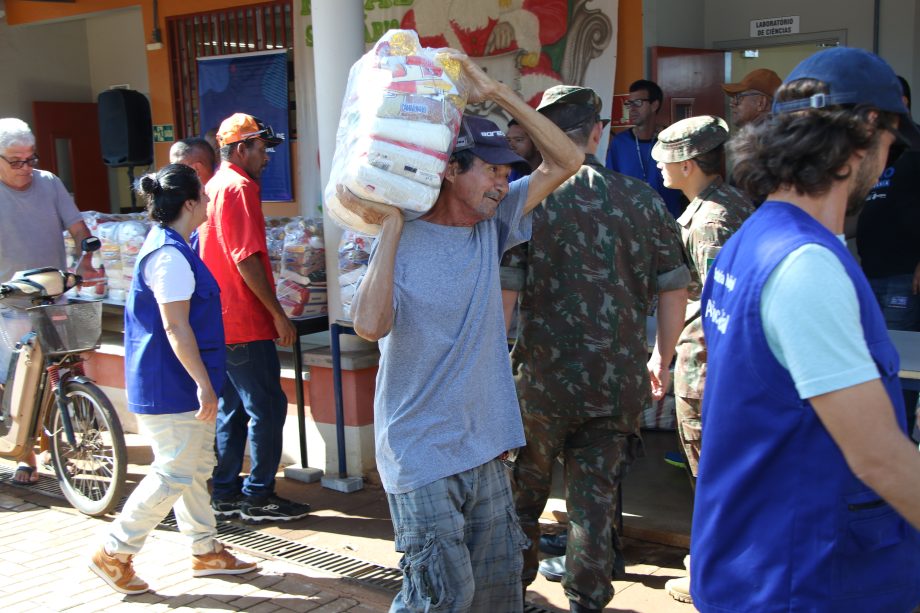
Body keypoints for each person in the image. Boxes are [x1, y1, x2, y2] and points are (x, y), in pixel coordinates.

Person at [341, 53, 582, 612]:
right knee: (442, 600)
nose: (504, 182)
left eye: (506, 171)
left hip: (484, 446)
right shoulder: (398, 239)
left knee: (499, 598)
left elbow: (565, 160)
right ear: (451, 170)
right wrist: (393, 228)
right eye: (492, 171)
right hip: (421, 455)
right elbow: (370, 326)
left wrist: (497, 93)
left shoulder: (492, 225)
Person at [692, 47, 920, 611]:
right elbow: (879, 457)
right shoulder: (805, 265)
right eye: (890, 144)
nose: (888, 162)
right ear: (867, 129)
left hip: (757, 558)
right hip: (806, 577)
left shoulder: (752, 239)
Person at [512, 85, 689, 613]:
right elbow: (673, 285)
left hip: (539, 384)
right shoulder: (642, 198)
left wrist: (496, 366)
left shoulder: (523, 200)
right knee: (594, 503)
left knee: (522, 499)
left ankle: (511, 594)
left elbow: (503, 291)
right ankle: (587, 602)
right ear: (597, 132)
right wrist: (663, 356)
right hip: (616, 383)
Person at [89, 164, 257, 595]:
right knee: (174, 473)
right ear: (188, 203)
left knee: (193, 468)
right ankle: (115, 550)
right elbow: (175, 328)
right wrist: (203, 383)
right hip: (173, 383)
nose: (207, 203)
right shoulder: (169, 256)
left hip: (175, 380)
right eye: (202, 197)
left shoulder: (174, 246)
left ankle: (205, 550)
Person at [648, 115, 754, 604]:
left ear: (688, 164)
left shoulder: (710, 220)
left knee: (711, 475)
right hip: (717, 366)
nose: (661, 170)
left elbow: (721, 307)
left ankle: (717, 574)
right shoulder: (727, 205)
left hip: (710, 368)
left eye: (666, 161)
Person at [198, 113, 309, 524]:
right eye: (262, 149)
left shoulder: (213, 186)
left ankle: (225, 491)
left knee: (234, 408)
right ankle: (258, 494)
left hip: (218, 320)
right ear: (241, 148)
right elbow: (246, 258)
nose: (267, 158)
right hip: (243, 319)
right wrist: (277, 314)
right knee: (267, 406)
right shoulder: (240, 187)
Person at [0, 117, 99, 485]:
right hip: (9, 302)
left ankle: (60, 441)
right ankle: (25, 456)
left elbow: (76, 226)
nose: (26, 168)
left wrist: (85, 254)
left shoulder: (49, 182)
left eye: (30, 158)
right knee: (17, 379)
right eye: (15, 161)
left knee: (63, 370)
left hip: (53, 294)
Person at [605, 79, 684, 217]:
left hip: (668, 224)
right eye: (629, 103)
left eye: (638, 103)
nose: (632, 109)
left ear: (654, 105)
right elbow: (611, 187)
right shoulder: (619, 143)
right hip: (632, 225)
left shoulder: (672, 141)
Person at [500, 118, 542, 338]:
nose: (512, 145)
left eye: (519, 139)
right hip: (510, 269)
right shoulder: (507, 173)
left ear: (535, 142)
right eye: (508, 140)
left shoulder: (546, 178)